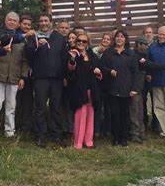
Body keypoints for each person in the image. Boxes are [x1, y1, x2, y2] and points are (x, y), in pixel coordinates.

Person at [26, 13, 68, 148]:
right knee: (40, 108)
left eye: (46, 21)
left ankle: (57, 135)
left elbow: (64, 58)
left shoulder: (59, 38)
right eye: (41, 21)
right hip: (41, 78)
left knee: (56, 108)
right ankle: (41, 136)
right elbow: (28, 55)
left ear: (51, 22)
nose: (43, 23)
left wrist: (64, 76)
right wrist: (37, 46)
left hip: (57, 79)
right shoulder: (34, 37)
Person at [0, 12, 30, 138]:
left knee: (11, 106)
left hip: (14, 76)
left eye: (14, 21)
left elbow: (24, 60)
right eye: (9, 20)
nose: (11, 22)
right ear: (6, 21)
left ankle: (10, 132)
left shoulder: (23, 40)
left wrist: (23, 77)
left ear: (18, 24)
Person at [100, 29, 138, 147]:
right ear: (114, 39)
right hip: (113, 88)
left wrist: (134, 88)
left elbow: (135, 72)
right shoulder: (108, 53)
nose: (119, 38)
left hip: (126, 89)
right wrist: (109, 71)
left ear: (125, 39)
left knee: (125, 114)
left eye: (122, 37)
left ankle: (124, 138)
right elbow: (101, 66)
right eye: (117, 36)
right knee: (114, 114)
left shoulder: (131, 54)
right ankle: (115, 137)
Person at [67, 32, 102, 149]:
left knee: (90, 116)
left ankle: (88, 141)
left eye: (84, 41)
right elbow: (70, 69)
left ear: (87, 43)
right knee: (79, 116)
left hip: (91, 90)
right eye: (79, 41)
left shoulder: (92, 55)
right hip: (78, 90)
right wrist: (72, 59)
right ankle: (78, 142)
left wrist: (98, 71)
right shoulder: (73, 53)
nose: (81, 43)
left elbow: (98, 69)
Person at [15, 14, 35, 134]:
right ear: (19, 24)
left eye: (29, 24)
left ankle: (26, 127)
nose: (27, 26)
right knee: (16, 102)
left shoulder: (33, 38)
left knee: (28, 102)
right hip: (17, 74)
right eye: (24, 24)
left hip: (30, 75)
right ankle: (16, 126)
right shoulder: (16, 36)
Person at [129, 35, 150, 143]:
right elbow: (147, 66)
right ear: (138, 44)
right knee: (134, 111)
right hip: (134, 87)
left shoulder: (143, 54)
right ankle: (135, 134)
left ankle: (141, 132)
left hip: (140, 87)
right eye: (145, 44)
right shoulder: (134, 55)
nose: (147, 46)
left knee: (140, 111)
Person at [92, 33, 113, 136]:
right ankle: (97, 130)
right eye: (104, 38)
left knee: (109, 108)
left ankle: (108, 129)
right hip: (97, 83)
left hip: (109, 83)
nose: (105, 40)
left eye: (108, 39)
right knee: (97, 107)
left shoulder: (112, 52)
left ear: (111, 42)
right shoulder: (95, 50)